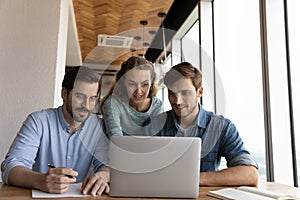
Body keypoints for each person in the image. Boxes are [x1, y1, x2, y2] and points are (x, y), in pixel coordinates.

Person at [1, 66, 110, 196]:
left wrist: (105, 175)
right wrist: (40, 180)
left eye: (92, 98)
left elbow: (106, 165)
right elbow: (11, 167)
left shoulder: (98, 127)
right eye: (80, 97)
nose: (86, 106)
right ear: (64, 94)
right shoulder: (38, 121)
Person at [147, 62, 259, 186]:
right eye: (172, 93)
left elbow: (250, 174)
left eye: (184, 93)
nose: (178, 101)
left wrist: (195, 179)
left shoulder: (221, 126)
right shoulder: (154, 125)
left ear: (199, 92)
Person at [100, 56, 163, 137]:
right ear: (123, 83)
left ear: (151, 84)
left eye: (144, 84)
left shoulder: (156, 106)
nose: (138, 91)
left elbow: (155, 140)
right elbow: (116, 139)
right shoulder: (113, 104)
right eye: (131, 84)